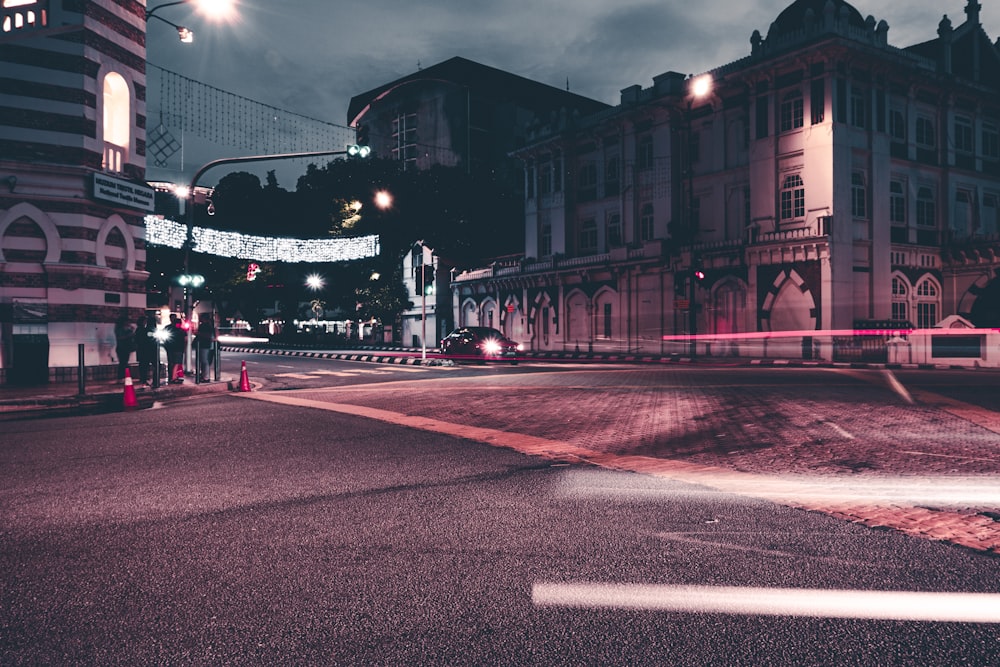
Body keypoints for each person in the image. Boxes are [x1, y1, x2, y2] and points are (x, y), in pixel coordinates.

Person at [164, 313, 187, 383]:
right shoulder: (181, 331)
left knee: (171, 363)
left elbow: (165, 338)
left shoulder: (168, 328)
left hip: (170, 348)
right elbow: (185, 340)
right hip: (177, 348)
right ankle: (173, 377)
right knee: (176, 363)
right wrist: (184, 348)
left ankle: (172, 376)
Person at [134, 315, 156, 385]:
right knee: (145, 365)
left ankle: (144, 379)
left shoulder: (142, 329)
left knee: (144, 365)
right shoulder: (142, 330)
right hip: (146, 350)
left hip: (143, 350)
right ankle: (146, 380)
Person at [195, 315, 216, 382]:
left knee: (205, 361)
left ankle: (206, 377)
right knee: (204, 361)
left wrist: (198, 333)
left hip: (204, 345)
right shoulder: (210, 326)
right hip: (206, 345)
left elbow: (208, 335)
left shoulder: (205, 326)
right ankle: (204, 376)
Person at [113, 314, 135, 380]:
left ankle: (124, 376)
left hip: (126, 347)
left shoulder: (127, 329)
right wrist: (130, 334)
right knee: (123, 363)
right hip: (121, 348)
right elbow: (120, 337)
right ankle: (121, 377)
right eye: (127, 321)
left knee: (124, 362)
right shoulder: (120, 329)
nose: (129, 323)